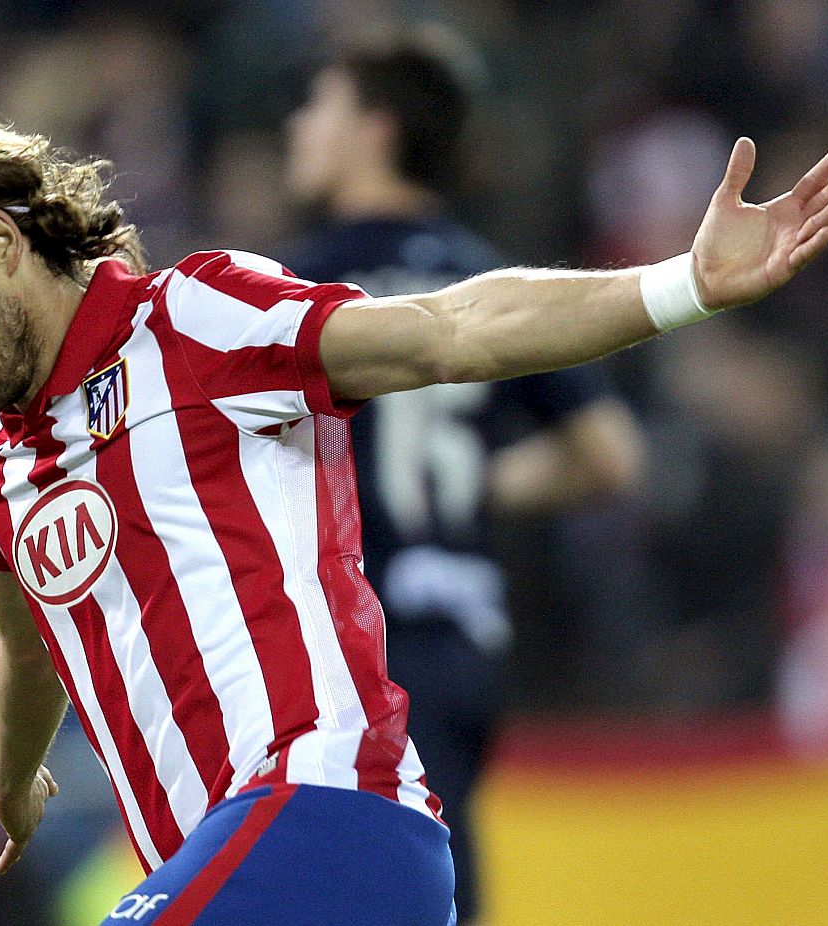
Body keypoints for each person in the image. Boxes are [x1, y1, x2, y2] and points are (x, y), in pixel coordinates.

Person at [0, 104, 828, 925]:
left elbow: (450, 330)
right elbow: (27, 633)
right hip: (232, 875)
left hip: (328, 816)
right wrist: (9, 767)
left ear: (1, 243)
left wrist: (682, 284)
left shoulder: (191, 322)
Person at [279, 29, 645, 922]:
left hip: (357, 649)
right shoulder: (487, 284)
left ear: (375, 127)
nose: (298, 126)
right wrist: (473, 485)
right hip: (468, 641)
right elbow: (611, 455)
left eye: (318, 104)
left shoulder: (298, 290)